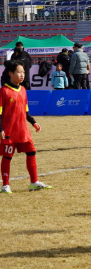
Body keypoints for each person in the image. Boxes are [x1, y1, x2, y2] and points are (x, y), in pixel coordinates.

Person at [0, 61, 51, 194]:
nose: (22, 75)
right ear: (10, 73)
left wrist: (33, 122)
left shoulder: (23, 90)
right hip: (9, 131)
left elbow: (25, 111)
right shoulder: (3, 91)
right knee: (7, 156)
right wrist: (0, 129)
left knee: (32, 152)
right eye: (19, 72)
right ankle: (5, 185)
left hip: (23, 130)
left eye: (23, 72)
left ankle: (34, 182)